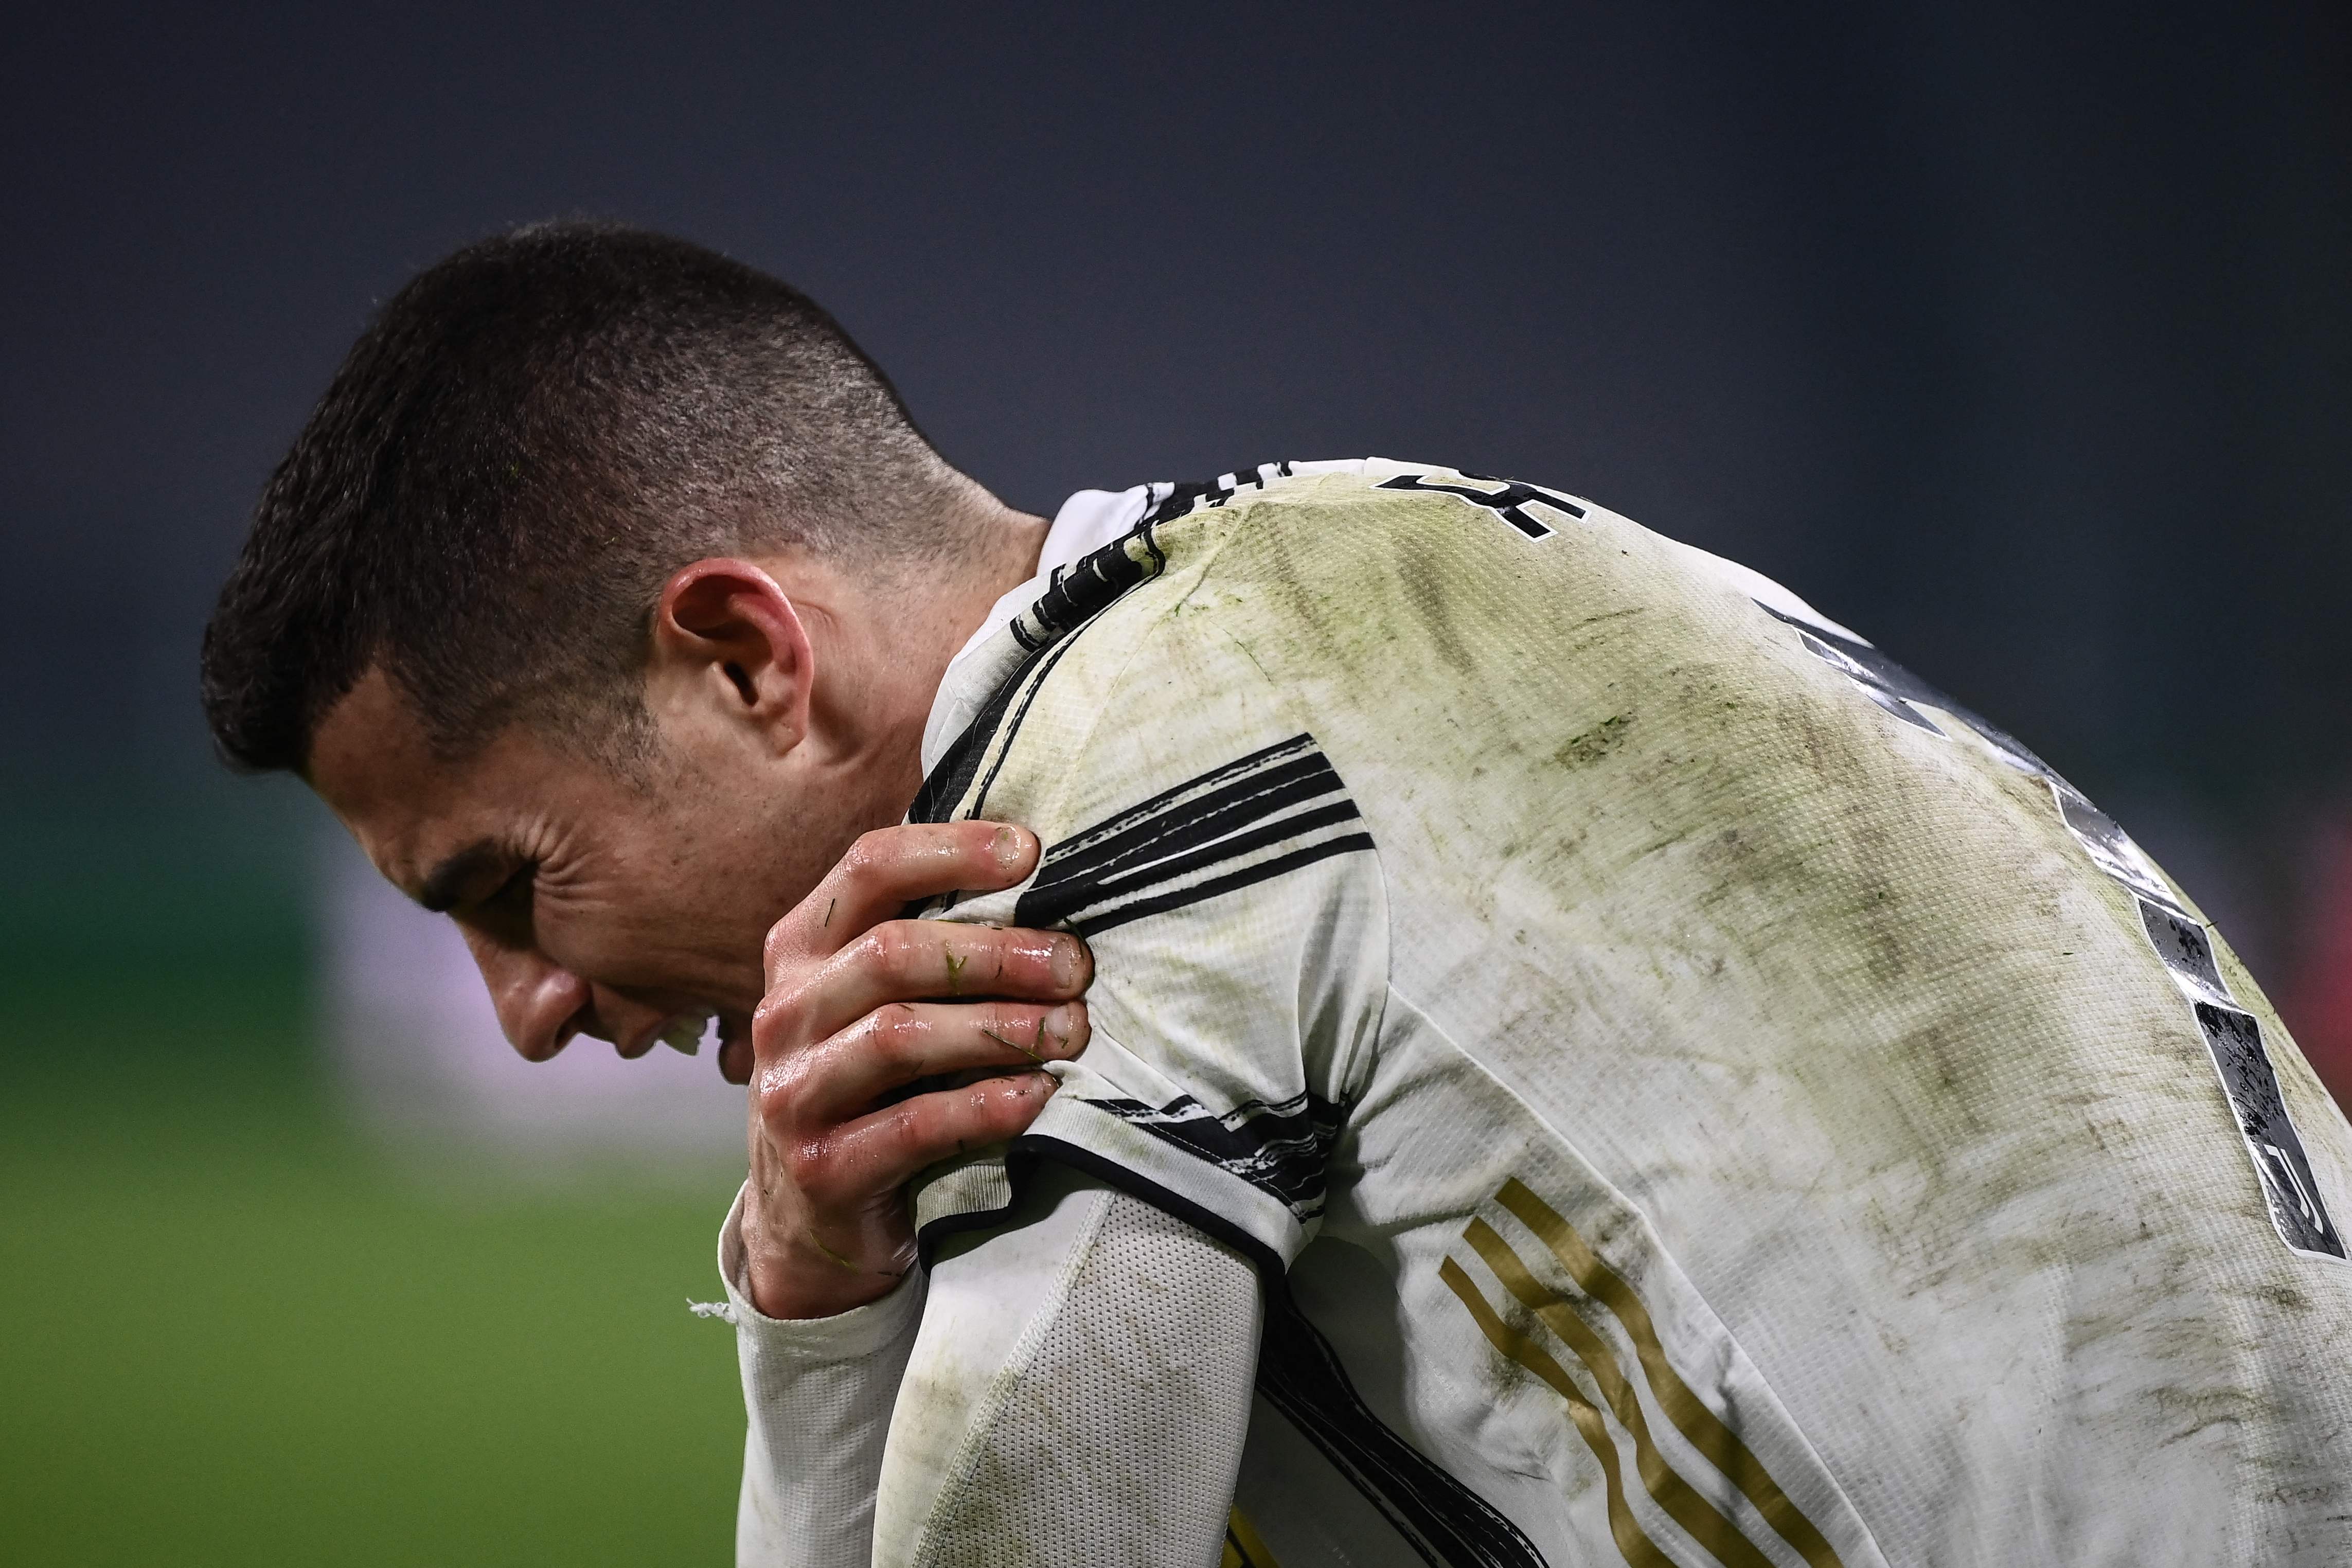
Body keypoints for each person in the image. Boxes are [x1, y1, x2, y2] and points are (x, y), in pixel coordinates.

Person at [201, 222, 2352, 1568]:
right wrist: (810, 1279)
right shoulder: (1366, 564)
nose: (525, 1014)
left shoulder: (1081, 838)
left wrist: (809, 1329)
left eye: (508, 884)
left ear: (749, 657)